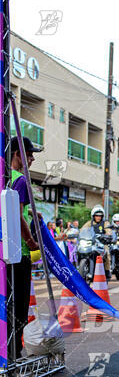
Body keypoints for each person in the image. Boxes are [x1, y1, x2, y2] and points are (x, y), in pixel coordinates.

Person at [7, 136, 41, 361]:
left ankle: (6, 351)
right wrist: (30, 241)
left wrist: (30, 213)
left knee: (6, 302)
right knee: (19, 305)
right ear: (17, 154)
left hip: (3, 252)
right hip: (18, 252)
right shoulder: (20, 180)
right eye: (29, 154)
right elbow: (16, 215)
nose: (32, 158)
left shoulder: (4, 178)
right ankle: (13, 353)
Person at [81, 205, 112, 280]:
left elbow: (109, 231)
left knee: (107, 252)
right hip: (91, 243)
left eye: (100, 216)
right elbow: (82, 230)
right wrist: (76, 234)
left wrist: (108, 234)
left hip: (102, 243)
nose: (98, 217)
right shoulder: (89, 223)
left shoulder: (105, 223)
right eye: (96, 215)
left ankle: (107, 271)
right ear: (93, 216)